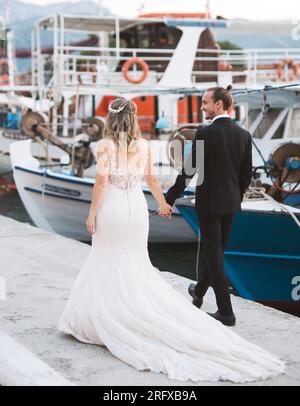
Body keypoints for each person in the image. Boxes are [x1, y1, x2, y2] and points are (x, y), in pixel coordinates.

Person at [58, 98, 284, 384]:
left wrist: (91, 214)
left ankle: (117, 312)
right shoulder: (143, 146)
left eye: (205, 103)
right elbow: (152, 179)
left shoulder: (106, 145)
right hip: (139, 209)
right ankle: (200, 303)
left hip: (115, 207)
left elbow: (102, 182)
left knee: (108, 256)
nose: (203, 107)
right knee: (136, 260)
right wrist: (164, 204)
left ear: (111, 120)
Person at [165, 86, 252, 327]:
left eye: (205, 102)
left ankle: (226, 312)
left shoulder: (206, 133)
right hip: (231, 203)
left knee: (214, 255)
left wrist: (168, 199)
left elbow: (190, 170)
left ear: (219, 105)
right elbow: (247, 174)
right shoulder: (244, 134)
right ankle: (199, 291)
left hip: (210, 203)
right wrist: (236, 195)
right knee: (217, 251)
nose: (202, 107)